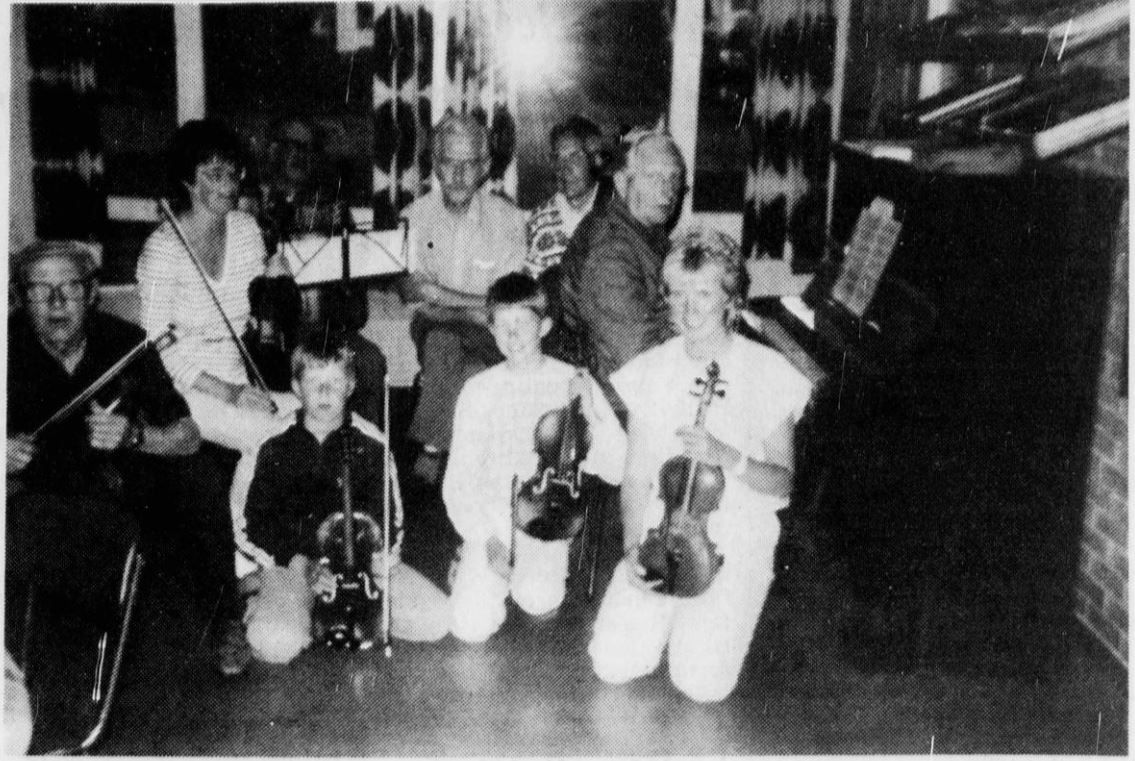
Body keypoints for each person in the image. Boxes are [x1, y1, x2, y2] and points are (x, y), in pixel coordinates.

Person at [587, 230, 813, 703]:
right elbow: (636, 477)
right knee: (611, 663)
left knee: (701, 683)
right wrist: (631, 548)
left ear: (731, 299)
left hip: (736, 531)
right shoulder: (653, 368)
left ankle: (729, 606)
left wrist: (729, 457)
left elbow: (784, 483)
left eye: (704, 294)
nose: (688, 310)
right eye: (677, 294)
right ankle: (672, 615)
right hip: (665, 528)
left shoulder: (767, 369)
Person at [4, 242, 243, 681]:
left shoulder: (126, 342)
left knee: (200, 476)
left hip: (122, 482)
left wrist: (134, 435)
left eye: (70, 287)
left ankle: (225, 616)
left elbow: (187, 435)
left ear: (92, 293)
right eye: (40, 290)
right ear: (20, 297)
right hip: (43, 496)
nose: (57, 303)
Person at [234, 336, 449, 664]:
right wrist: (301, 564)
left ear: (350, 387)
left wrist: (375, 559)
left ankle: (331, 614)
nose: (324, 392)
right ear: (296, 387)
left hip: (360, 566)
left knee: (435, 620)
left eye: (334, 382)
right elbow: (249, 523)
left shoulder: (373, 443)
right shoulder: (270, 443)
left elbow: (390, 519)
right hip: (294, 564)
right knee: (275, 643)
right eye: (313, 382)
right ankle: (278, 601)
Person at [444, 273, 625, 643]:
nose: (513, 336)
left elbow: (618, 468)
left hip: (547, 516)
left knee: (538, 600)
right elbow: (459, 479)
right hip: (493, 515)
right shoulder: (477, 390)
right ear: (490, 330)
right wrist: (485, 539)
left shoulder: (573, 380)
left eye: (523, 324)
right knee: (468, 627)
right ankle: (469, 556)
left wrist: (590, 412)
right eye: (502, 325)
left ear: (544, 326)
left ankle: (546, 560)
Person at [137, 118, 298, 456]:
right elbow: (157, 345)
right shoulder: (163, 249)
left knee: (330, 417)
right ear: (187, 180)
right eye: (215, 175)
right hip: (189, 388)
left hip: (244, 374)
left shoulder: (246, 229)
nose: (229, 185)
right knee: (279, 443)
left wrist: (277, 285)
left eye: (234, 173)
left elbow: (263, 313)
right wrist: (228, 393)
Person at [401, 112, 527, 480]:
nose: (457, 175)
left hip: (490, 333)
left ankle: (432, 449)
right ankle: (445, 458)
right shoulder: (413, 218)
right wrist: (472, 307)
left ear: (485, 167)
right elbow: (414, 297)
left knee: (470, 372)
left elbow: (505, 304)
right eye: (448, 162)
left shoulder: (509, 221)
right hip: (434, 326)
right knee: (442, 338)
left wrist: (441, 295)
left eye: (468, 164)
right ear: (435, 164)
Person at [558, 129, 686, 396]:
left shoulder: (648, 233)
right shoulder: (609, 250)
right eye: (653, 177)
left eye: (674, 178)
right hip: (618, 398)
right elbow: (638, 359)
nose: (667, 191)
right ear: (621, 181)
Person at [525, 116, 610, 278]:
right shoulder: (539, 222)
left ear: (595, 160)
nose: (564, 168)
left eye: (574, 156)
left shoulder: (616, 209)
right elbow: (531, 285)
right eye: (559, 158)